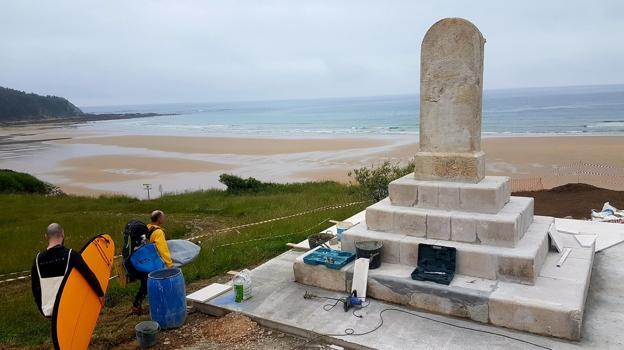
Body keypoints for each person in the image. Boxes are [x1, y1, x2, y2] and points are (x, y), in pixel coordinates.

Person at [31, 223, 105, 318]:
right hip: (71, 307)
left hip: (50, 310)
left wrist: (42, 309)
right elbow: (88, 275)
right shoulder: (71, 255)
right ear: (62, 234)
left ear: (46, 236)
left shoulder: (38, 259)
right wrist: (100, 294)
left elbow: (36, 288)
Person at [131, 210, 173, 314]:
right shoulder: (158, 232)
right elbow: (162, 248)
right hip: (154, 263)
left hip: (144, 263)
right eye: (163, 217)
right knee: (156, 282)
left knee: (145, 283)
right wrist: (169, 263)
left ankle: (137, 305)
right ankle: (160, 304)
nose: (164, 218)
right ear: (159, 219)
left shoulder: (147, 227)